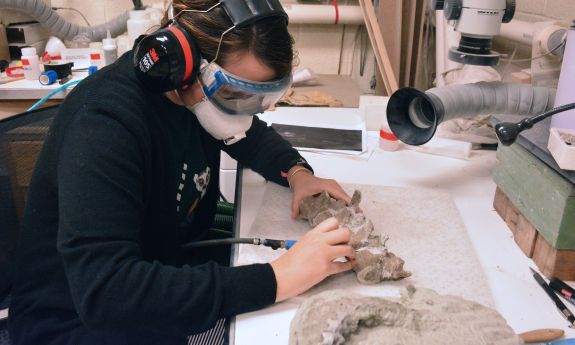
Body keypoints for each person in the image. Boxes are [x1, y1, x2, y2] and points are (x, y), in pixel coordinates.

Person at [8, 0, 356, 344]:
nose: (246, 113)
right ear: (186, 64)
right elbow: (108, 293)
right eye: (236, 95)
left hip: (162, 275)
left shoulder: (192, 97)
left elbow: (250, 135)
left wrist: (297, 174)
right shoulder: (105, 125)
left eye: (259, 99)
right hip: (77, 323)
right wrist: (278, 277)